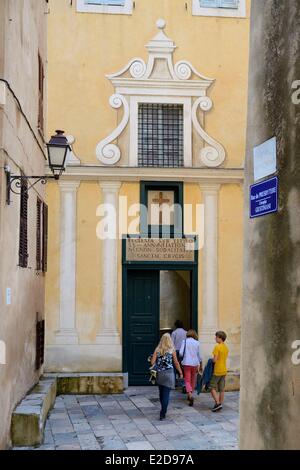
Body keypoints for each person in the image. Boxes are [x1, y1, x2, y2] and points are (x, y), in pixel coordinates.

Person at [151, 333, 183, 420]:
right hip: (169, 373)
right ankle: (163, 412)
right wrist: (180, 372)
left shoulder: (157, 349)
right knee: (166, 394)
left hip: (159, 374)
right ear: (170, 340)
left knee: (161, 393)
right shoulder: (172, 350)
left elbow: (152, 362)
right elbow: (176, 363)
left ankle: (163, 410)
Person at [179, 330, 202, 406]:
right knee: (193, 379)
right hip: (195, 363)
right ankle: (190, 394)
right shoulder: (197, 342)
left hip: (186, 363)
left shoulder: (184, 341)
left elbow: (181, 353)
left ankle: (190, 395)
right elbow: (199, 355)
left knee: (187, 380)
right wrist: (200, 363)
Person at [209, 331, 229, 412]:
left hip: (217, 370)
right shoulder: (226, 347)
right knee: (221, 389)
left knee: (212, 387)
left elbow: (215, 360)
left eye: (216, 337)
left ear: (220, 338)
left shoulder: (217, 347)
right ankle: (220, 403)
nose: (215, 338)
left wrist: (211, 360)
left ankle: (217, 403)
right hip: (224, 369)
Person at [171, 320, 187, 386]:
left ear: (176, 325)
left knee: (175, 366)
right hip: (184, 351)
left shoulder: (174, 333)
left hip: (176, 351)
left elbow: (171, 343)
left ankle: (174, 383)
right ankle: (184, 383)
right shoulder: (186, 332)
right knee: (184, 367)